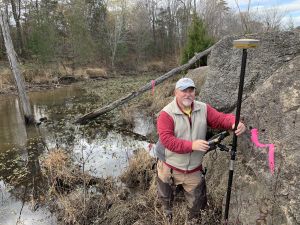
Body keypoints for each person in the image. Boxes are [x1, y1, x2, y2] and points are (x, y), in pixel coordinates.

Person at [155, 77, 246, 224]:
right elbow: (167, 141)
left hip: (193, 169)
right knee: (165, 199)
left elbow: (220, 119)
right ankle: (167, 217)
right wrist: (192, 145)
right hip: (169, 166)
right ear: (175, 93)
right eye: (183, 90)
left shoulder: (203, 108)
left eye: (191, 90)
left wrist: (234, 122)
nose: (188, 94)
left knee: (197, 208)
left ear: (195, 92)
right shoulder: (166, 114)